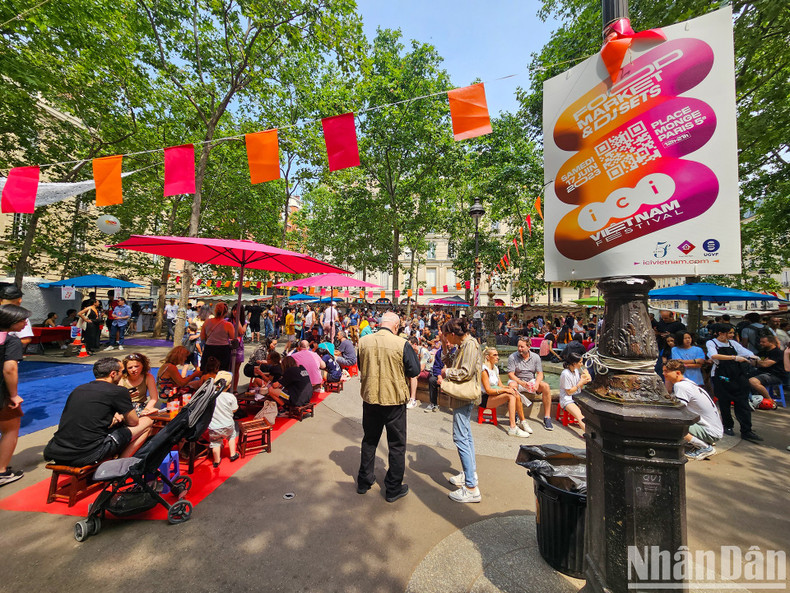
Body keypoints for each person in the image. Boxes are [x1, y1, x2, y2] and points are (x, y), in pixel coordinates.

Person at [356, 311, 420, 503]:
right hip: (393, 400)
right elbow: (414, 371)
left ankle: (364, 481)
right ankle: (393, 488)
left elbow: (361, 366)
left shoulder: (364, 341)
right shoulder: (402, 344)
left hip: (370, 398)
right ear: (395, 326)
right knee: (397, 445)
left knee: (369, 440)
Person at [43, 358, 154, 466]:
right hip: (88, 452)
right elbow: (133, 422)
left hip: (57, 449)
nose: (123, 375)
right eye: (122, 371)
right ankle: (118, 466)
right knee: (147, 422)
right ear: (113, 374)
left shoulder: (78, 389)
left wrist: (114, 419)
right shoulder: (118, 391)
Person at [440, 317, 482, 503]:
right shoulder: (463, 345)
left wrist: (446, 374)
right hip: (461, 397)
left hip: (463, 397)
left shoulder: (470, 345)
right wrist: (444, 346)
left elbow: (465, 372)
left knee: (460, 437)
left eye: (446, 335)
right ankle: (469, 474)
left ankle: (472, 487)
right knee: (465, 435)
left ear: (453, 333)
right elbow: (448, 361)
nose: (446, 338)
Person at [706, 323, 762, 442]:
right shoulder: (712, 343)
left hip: (737, 376)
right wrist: (734, 358)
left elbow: (745, 352)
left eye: (732, 333)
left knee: (742, 403)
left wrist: (754, 357)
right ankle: (728, 426)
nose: (732, 335)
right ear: (721, 333)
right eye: (729, 333)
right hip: (721, 376)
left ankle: (746, 430)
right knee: (724, 402)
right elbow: (714, 355)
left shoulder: (733, 344)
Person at [663, 359, 723, 460]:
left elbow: (678, 411)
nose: (664, 374)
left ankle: (705, 448)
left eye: (666, 371)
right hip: (714, 429)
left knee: (672, 424)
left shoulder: (680, 386)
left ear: (677, 373)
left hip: (710, 432)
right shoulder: (688, 383)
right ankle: (701, 442)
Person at [0, 305, 30, 486]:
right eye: (22, 320)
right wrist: (13, 395)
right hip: (2, 395)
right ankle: (1, 471)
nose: (25, 323)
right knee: (10, 429)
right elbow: (10, 369)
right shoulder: (10, 341)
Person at [480, 348, 530, 437]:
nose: (497, 357)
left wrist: (510, 388)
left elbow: (501, 385)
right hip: (485, 398)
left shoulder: (495, 368)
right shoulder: (484, 370)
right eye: (494, 355)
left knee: (515, 393)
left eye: (497, 355)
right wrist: (506, 390)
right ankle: (512, 427)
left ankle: (522, 421)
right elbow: (488, 390)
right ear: (487, 357)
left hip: (494, 395)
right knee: (510, 396)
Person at [507, 336, 553, 431]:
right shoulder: (512, 357)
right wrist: (521, 383)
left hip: (531, 381)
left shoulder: (535, 357)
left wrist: (537, 383)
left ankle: (547, 417)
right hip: (518, 380)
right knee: (512, 385)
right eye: (518, 346)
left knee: (546, 386)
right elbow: (511, 374)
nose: (519, 349)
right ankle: (516, 412)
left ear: (529, 347)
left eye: (522, 347)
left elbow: (540, 373)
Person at [207, 371, 240, 468]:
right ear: (229, 386)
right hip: (228, 424)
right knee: (231, 436)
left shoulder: (211, 396)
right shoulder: (230, 397)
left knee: (215, 442)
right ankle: (232, 454)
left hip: (214, 426)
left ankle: (216, 460)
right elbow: (234, 409)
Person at [119, 352, 159, 416]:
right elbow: (117, 399)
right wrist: (128, 396)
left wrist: (146, 410)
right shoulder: (121, 378)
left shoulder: (148, 377)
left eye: (136, 366)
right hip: (125, 407)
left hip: (141, 406)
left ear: (142, 366)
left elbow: (154, 398)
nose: (133, 370)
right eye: (130, 367)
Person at [558, 351, 590, 432]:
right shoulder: (565, 374)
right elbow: (569, 392)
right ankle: (589, 435)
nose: (581, 364)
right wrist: (580, 383)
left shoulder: (576, 371)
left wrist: (584, 377)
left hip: (577, 396)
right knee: (580, 417)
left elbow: (580, 387)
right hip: (567, 399)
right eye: (580, 362)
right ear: (574, 363)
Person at [749, 335, 787, 402]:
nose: (761, 343)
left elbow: (765, 364)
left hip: (775, 375)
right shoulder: (763, 352)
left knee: (753, 381)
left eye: (763, 342)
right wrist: (760, 362)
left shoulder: (778, 352)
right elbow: (753, 362)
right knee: (741, 377)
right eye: (760, 342)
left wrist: (759, 362)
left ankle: (769, 400)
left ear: (771, 342)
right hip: (761, 372)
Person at [200, 302, 236, 372]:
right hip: (223, 349)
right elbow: (233, 337)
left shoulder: (207, 322)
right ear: (226, 313)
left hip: (209, 348)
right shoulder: (228, 325)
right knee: (222, 371)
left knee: (207, 370)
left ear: (215, 311)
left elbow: (202, 337)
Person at [406, 336, 431, 409]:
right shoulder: (411, 352)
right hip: (418, 369)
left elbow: (422, 368)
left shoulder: (424, 352)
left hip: (428, 370)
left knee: (413, 376)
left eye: (410, 345)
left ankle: (413, 400)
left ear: (415, 344)